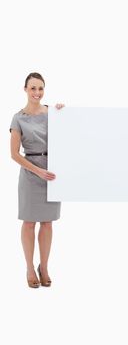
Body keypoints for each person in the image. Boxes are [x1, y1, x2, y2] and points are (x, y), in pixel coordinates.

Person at [10, 72, 64, 288]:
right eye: (32, 88)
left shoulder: (53, 113)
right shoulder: (18, 117)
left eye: (40, 88)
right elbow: (14, 154)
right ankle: (30, 268)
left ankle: (44, 266)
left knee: (48, 222)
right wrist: (38, 171)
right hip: (31, 173)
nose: (37, 93)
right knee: (29, 222)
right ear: (25, 89)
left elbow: (70, 133)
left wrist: (63, 114)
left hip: (53, 172)